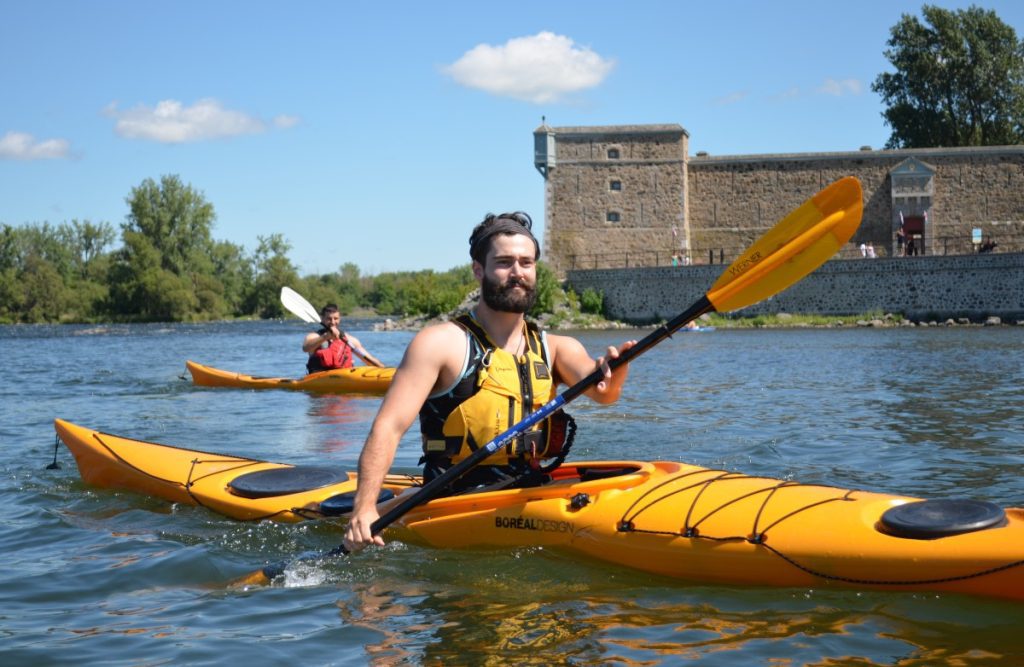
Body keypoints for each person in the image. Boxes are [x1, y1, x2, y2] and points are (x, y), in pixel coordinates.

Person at [342, 211, 636, 551]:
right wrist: (364, 509)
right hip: (453, 499)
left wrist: (615, 372)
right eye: (504, 262)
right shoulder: (440, 344)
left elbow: (603, 393)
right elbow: (388, 427)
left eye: (526, 263)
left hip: (530, 489)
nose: (517, 273)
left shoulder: (556, 347)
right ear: (478, 270)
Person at [303, 304, 385, 373]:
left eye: (336, 318)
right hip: (319, 378)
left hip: (343, 377)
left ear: (340, 319)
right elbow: (306, 348)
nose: (332, 322)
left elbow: (368, 359)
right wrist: (325, 337)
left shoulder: (349, 340)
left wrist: (384, 370)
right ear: (323, 319)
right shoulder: (314, 336)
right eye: (329, 319)